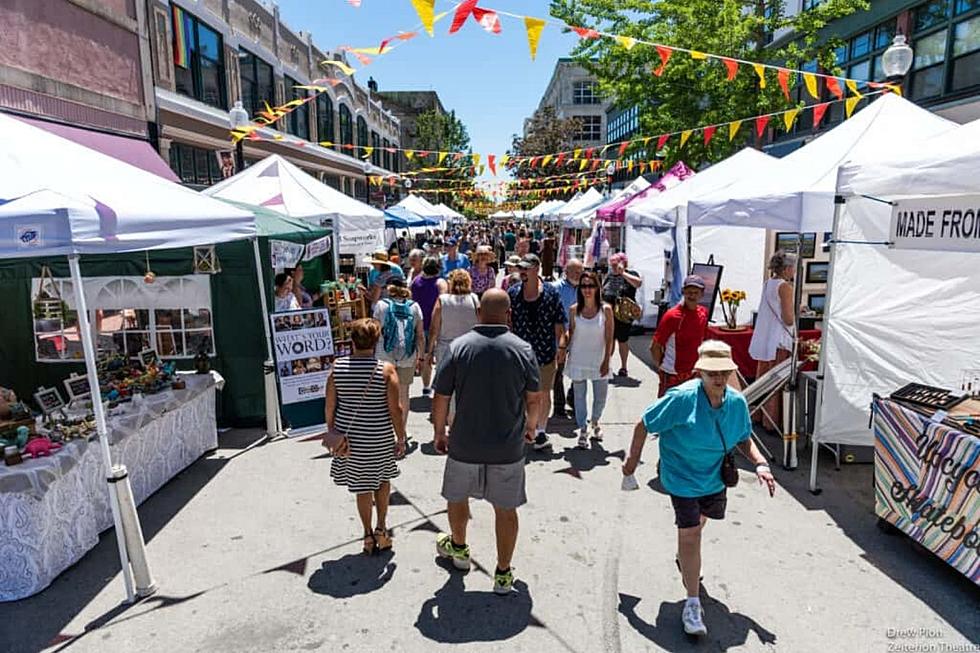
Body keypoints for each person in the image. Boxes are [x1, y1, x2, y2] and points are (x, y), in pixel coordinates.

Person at [623, 340, 776, 637]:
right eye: (711, 373)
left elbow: (743, 438)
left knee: (698, 524)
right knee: (691, 533)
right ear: (699, 373)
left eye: (723, 373)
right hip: (680, 476)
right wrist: (631, 462)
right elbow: (643, 424)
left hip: (715, 478)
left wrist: (760, 464)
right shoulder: (680, 399)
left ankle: (685, 554)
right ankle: (692, 604)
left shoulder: (736, 403)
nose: (718, 379)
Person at [431, 289, 541, 595]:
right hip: (507, 447)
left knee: (457, 497)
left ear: (479, 313)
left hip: (465, 442)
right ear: (508, 315)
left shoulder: (458, 347)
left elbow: (441, 397)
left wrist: (439, 433)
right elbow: (534, 398)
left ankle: (460, 550)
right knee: (506, 510)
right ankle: (503, 573)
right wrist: (531, 428)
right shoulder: (523, 349)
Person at [325, 318, 407, 555]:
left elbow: (330, 406)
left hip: (350, 441)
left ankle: (367, 534)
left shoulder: (337, 368)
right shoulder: (385, 369)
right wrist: (400, 438)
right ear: (377, 341)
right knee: (381, 481)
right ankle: (382, 528)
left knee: (362, 487)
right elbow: (396, 409)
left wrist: (333, 433)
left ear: (352, 341)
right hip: (379, 437)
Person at [508, 253, 568, 450]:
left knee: (543, 394)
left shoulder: (551, 293)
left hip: (545, 353)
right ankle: (527, 427)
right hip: (519, 354)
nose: (522, 272)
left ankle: (540, 432)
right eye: (520, 268)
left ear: (537, 269)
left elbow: (559, 322)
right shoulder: (513, 293)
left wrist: (561, 346)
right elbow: (508, 323)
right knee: (523, 395)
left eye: (526, 268)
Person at [558, 270, 614, 448]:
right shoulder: (574, 309)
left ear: (597, 287)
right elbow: (571, 333)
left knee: (600, 397)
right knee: (579, 397)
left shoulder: (606, 310)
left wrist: (607, 360)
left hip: (598, 359)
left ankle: (595, 422)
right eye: (583, 286)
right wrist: (562, 345)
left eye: (591, 286)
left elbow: (609, 337)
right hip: (578, 358)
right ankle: (583, 428)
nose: (587, 290)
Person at [748, 251, 797, 431]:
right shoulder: (785, 287)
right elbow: (788, 319)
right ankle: (774, 421)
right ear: (787, 268)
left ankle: (763, 417)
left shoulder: (768, 283)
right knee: (778, 383)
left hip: (768, 340)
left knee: (765, 382)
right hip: (779, 340)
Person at [373, 278, 424, 437]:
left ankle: (385, 432)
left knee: (383, 394)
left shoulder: (381, 305)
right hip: (407, 356)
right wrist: (421, 357)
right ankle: (401, 433)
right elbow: (420, 335)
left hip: (384, 356)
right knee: (404, 394)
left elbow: (375, 332)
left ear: (389, 288)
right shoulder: (414, 306)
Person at [428, 269, 480, 423]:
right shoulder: (474, 299)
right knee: (466, 388)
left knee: (447, 390)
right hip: (470, 348)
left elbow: (434, 329)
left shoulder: (442, 300)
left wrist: (429, 352)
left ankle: (451, 423)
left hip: (446, 349)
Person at [651, 275, 709, 397]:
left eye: (695, 292)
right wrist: (662, 367)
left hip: (693, 373)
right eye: (688, 292)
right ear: (683, 292)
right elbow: (655, 345)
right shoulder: (672, 316)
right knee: (667, 412)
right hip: (672, 374)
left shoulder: (703, 313)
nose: (691, 296)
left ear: (702, 294)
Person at [551, 258, 583, 418]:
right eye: (575, 272)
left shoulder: (584, 289)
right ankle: (558, 404)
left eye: (580, 272)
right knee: (558, 372)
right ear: (566, 272)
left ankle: (572, 398)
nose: (579, 275)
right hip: (560, 335)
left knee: (578, 372)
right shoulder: (555, 288)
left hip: (579, 336)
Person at [411, 256, 447, 397]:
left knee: (426, 357)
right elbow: (445, 301)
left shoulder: (416, 282)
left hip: (420, 323)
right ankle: (440, 386)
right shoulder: (441, 283)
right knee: (441, 357)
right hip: (439, 325)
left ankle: (426, 387)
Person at [602, 252, 643, 377]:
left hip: (623, 315)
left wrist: (623, 273)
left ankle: (624, 367)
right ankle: (607, 364)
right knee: (609, 339)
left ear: (623, 263)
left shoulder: (630, 274)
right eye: (612, 264)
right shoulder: (609, 276)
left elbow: (638, 283)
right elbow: (604, 289)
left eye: (615, 264)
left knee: (622, 341)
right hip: (609, 313)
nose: (613, 267)